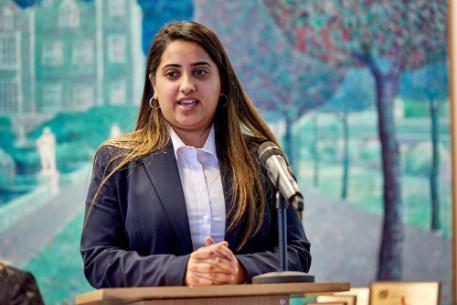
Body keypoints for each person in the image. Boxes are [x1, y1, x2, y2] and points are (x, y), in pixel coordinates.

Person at [80, 21, 311, 288]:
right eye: (172, 74)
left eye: (200, 72)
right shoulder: (117, 161)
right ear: (154, 84)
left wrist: (241, 270)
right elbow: (98, 260)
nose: (187, 85)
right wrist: (183, 271)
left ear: (222, 83)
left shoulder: (263, 158)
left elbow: (296, 253)